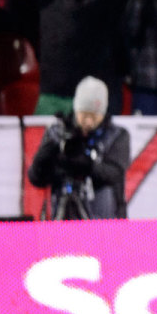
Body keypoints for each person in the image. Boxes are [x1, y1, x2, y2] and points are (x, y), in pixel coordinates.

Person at [27, 76, 129, 219]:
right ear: (76, 109)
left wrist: (87, 165)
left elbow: (114, 174)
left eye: (94, 116)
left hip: (104, 222)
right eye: (84, 114)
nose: (89, 121)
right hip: (62, 218)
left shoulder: (117, 135)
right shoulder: (58, 132)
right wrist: (42, 160)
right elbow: (37, 179)